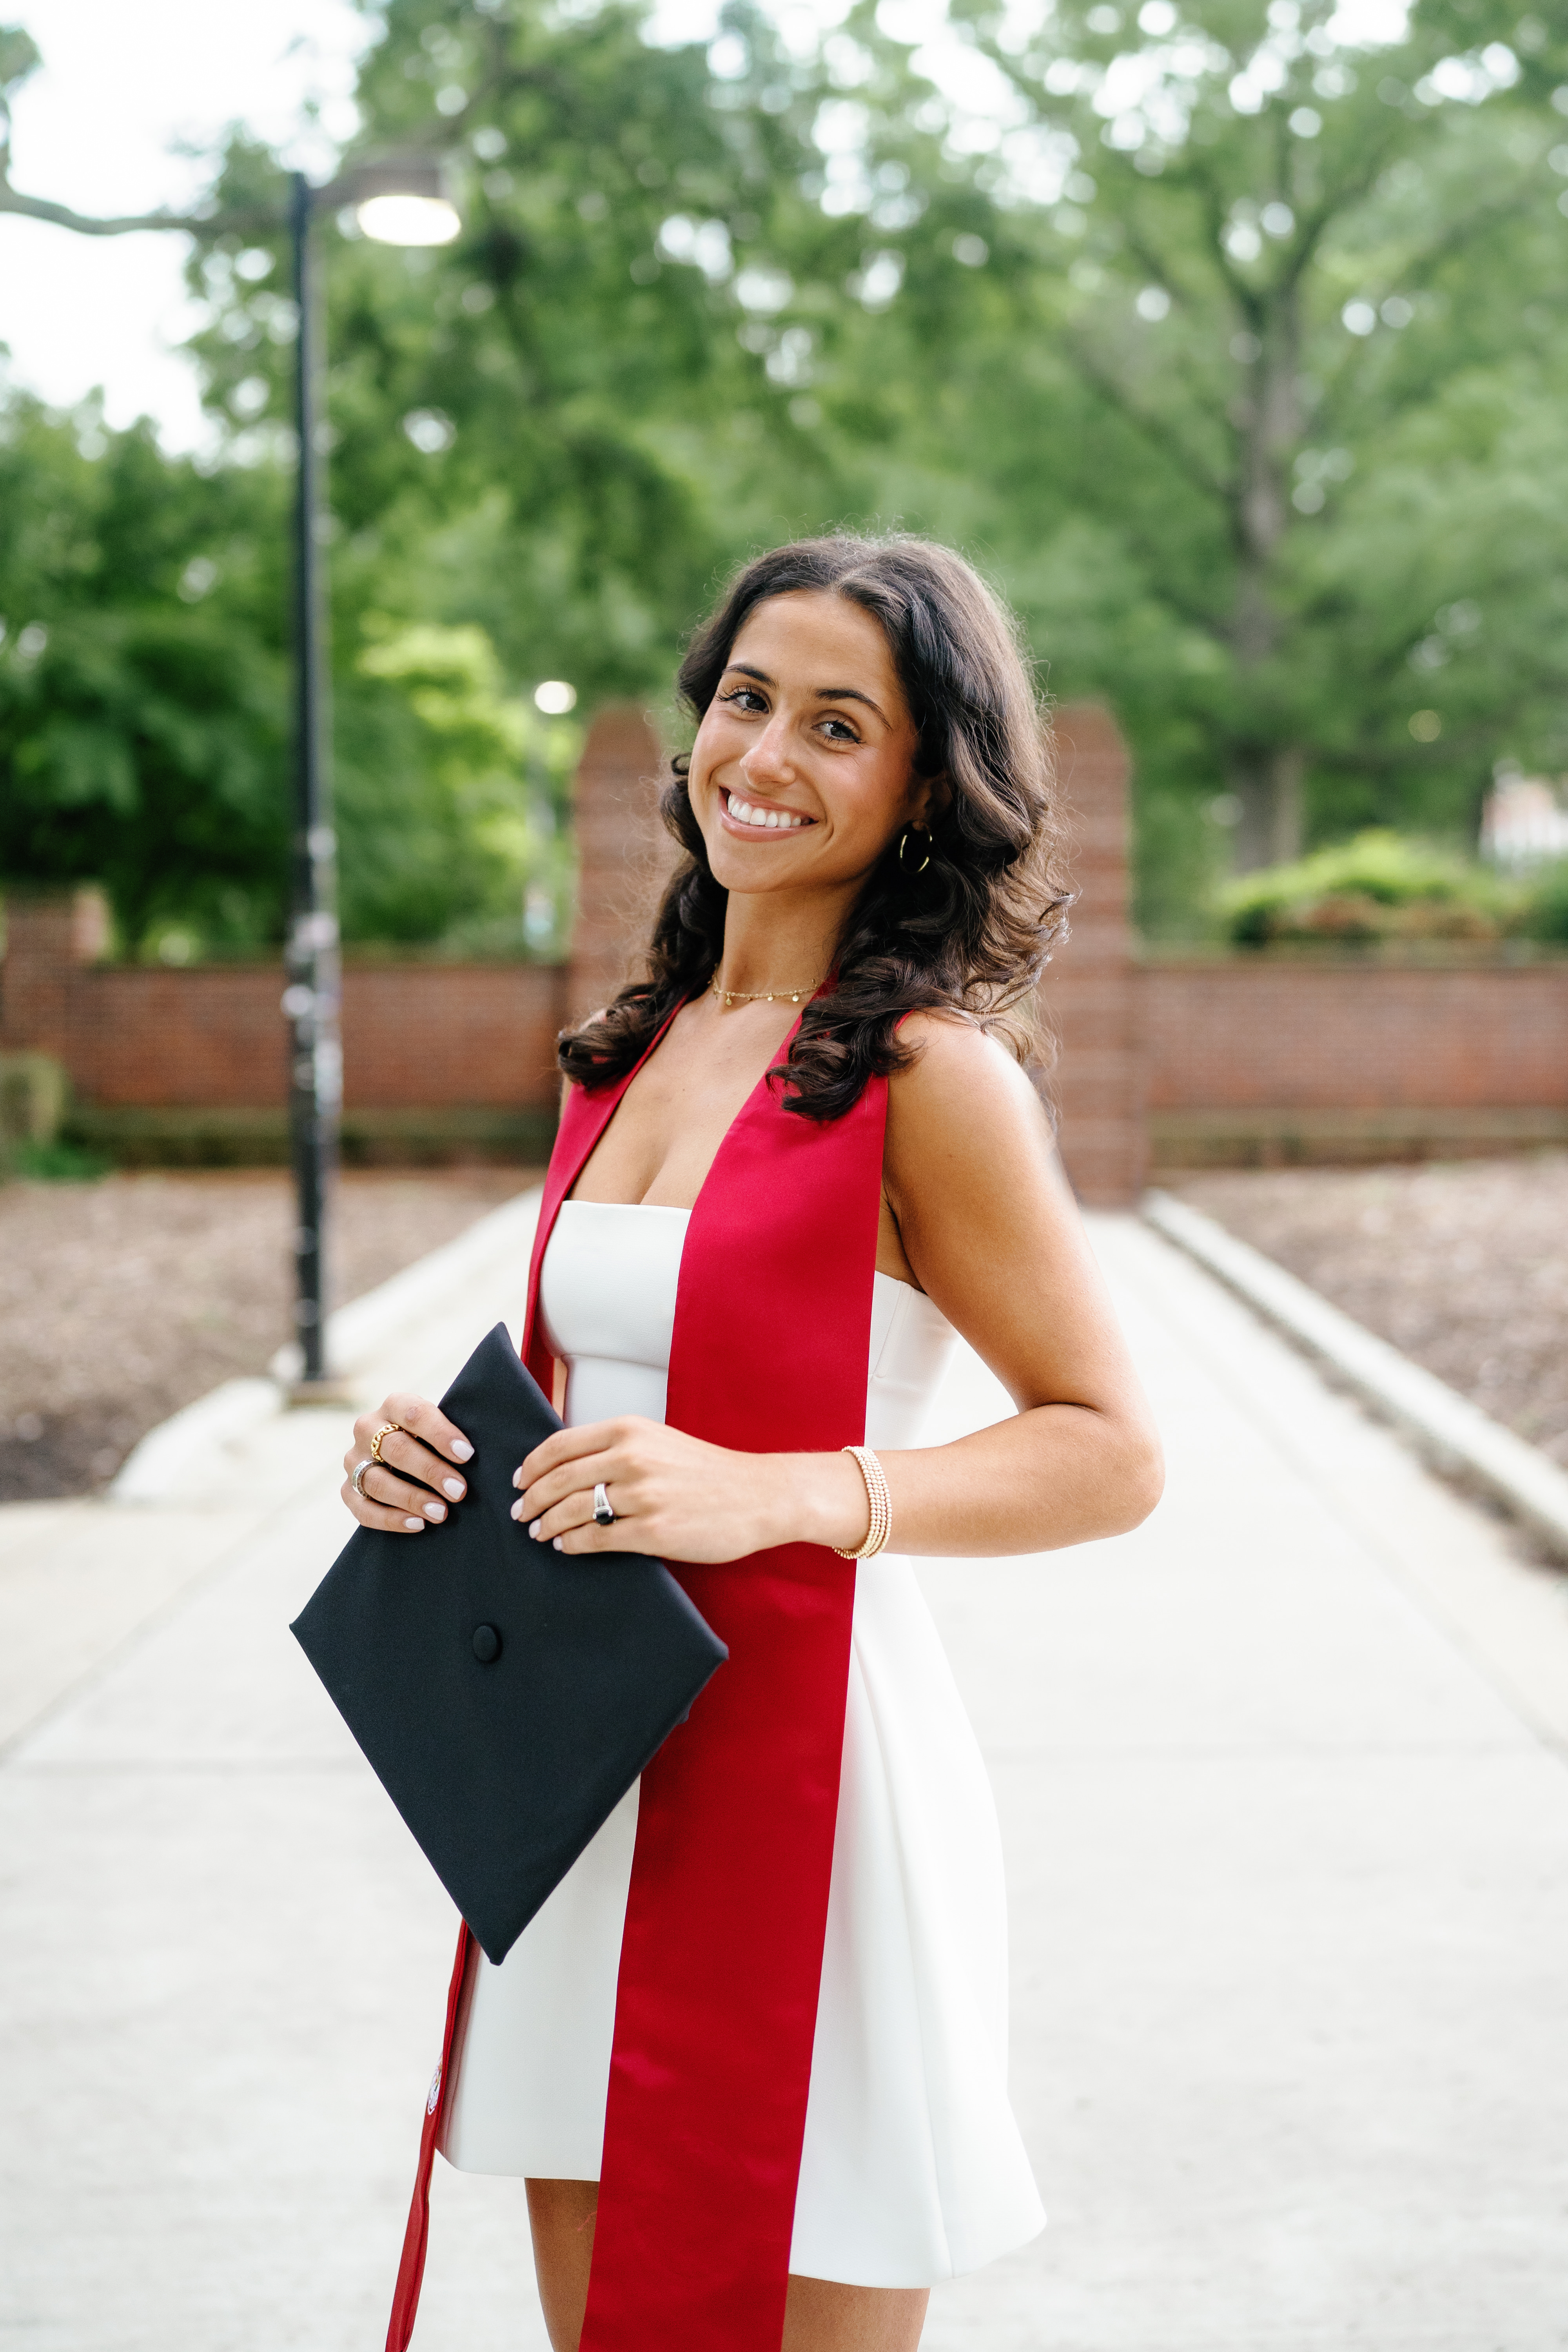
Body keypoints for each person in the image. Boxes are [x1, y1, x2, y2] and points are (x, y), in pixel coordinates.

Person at [340, 534, 1163, 2352]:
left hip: (804, 1775)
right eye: (744, 698)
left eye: (836, 725)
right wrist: (427, 1458)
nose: (763, 757)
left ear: (923, 790)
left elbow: (1109, 1448)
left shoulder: (931, 1081)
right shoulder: (633, 1050)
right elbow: (599, 1392)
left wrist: (789, 1490)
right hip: (590, 1761)